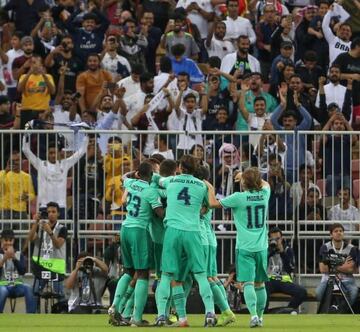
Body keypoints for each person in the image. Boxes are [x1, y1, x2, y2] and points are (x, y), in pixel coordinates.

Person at [154, 155, 216, 327]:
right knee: (201, 275)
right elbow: (211, 204)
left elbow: (156, 179)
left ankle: (160, 315)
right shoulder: (202, 185)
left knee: (166, 275)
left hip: (173, 231)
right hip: (193, 232)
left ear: (180, 167)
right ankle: (210, 313)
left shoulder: (171, 181)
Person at [206, 167, 271, 328]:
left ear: (244, 183)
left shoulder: (238, 197)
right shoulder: (264, 194)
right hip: (261, 246)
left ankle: (254, 316)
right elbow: (265, 183)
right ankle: (261, 317)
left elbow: (212, 203)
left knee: (248, 283)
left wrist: (209, 187)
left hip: (244, 247)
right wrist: (247, 175)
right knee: (260, 283)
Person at [109, 161, 164, 327]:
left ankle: (114, 307)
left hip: (125, 228)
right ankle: (136, 318)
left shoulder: (130, 182)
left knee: (128, 271)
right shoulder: (151, 191)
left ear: (138, 174)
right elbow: (160, 213)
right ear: (151, 176)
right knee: (143, 274)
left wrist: (134, 173)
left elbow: (123, 178)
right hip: (139, 231)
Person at [22, 133, 88, 218]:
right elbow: (25, 150)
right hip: (44, 207)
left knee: (62, 231)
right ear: (47, 153)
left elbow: (81, 151)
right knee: (44, 231)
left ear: (59, 153)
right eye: (51, 153)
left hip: (61, 207)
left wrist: (86, 136)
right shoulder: (40, 164)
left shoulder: (65, 164)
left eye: (55, 152)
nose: (53, 155)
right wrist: (26, 134)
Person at [27, 202, 68, 302]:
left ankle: (61, 313)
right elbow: (30, 238)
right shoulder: (40, 226)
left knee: (59, 294)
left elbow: (58, 244)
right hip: (41, 266)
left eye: (53, 212)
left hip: (55, 268)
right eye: (49, 212)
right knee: (35, 292)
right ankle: (33, 315)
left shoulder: (62, 228)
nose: (51, 214)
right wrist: (35, 222)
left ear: (58, 214)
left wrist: (50, 232)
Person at [316, 223, 359, 307]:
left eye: (341, 231)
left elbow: (353, 269)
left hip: (347, 280)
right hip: (328, 280)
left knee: (354, 292)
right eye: (336, 231)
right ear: (331, 234)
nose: (339, 233)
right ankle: (329, 310)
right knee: (318, 293)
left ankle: (343, 311)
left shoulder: (352, 248)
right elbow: (323, 269)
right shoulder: (325, 247)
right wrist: (343, 265)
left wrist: (331, 264)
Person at [266, 227, 307, 314]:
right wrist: (270, 252)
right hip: (268, 280)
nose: (275, 241)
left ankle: (286, 311)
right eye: (272, 239)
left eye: (278, 239)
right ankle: (264, 313)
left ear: (282, 239)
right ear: (268, 240)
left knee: (302, 292)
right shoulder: (265, 250)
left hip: (284, 280)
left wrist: (282, 253)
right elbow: (260, 266)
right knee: (262, 292)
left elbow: (290, 268)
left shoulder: (288, 250)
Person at [0, 229, 36, 313]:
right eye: (6, 240)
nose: (8, 243)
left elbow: (22, 271)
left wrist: (14, 258)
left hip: (17, 285)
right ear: (1, 240)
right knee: (3, 291)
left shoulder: (19, 254)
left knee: (29, 288)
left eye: (10, 240)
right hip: (2, 285)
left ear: (13, 240)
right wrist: (4, 259)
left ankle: (31, 315)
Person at [17, 55, 55, 128]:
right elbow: (19, 89)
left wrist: (43, 74)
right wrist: (29, 73)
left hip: (43, 111)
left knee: (42, 137)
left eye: (35, 62)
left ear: (41, 64)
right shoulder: (23, 76)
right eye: (31, 62)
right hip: (27, 111)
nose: (33, 65)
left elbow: (53, 91)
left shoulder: (48, 77)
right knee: (26, 137)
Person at [0, 151, 36, 221]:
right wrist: (5, 172)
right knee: (5, 232)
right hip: (5, 210)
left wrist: (27, 197)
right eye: (13, 161)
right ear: (9, 162)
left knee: (22, 232)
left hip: (21, 210)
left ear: (21, 161)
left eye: (17, 160)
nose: (15, 162)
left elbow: (32, 194)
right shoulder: (2, 174)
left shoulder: (27, 176)